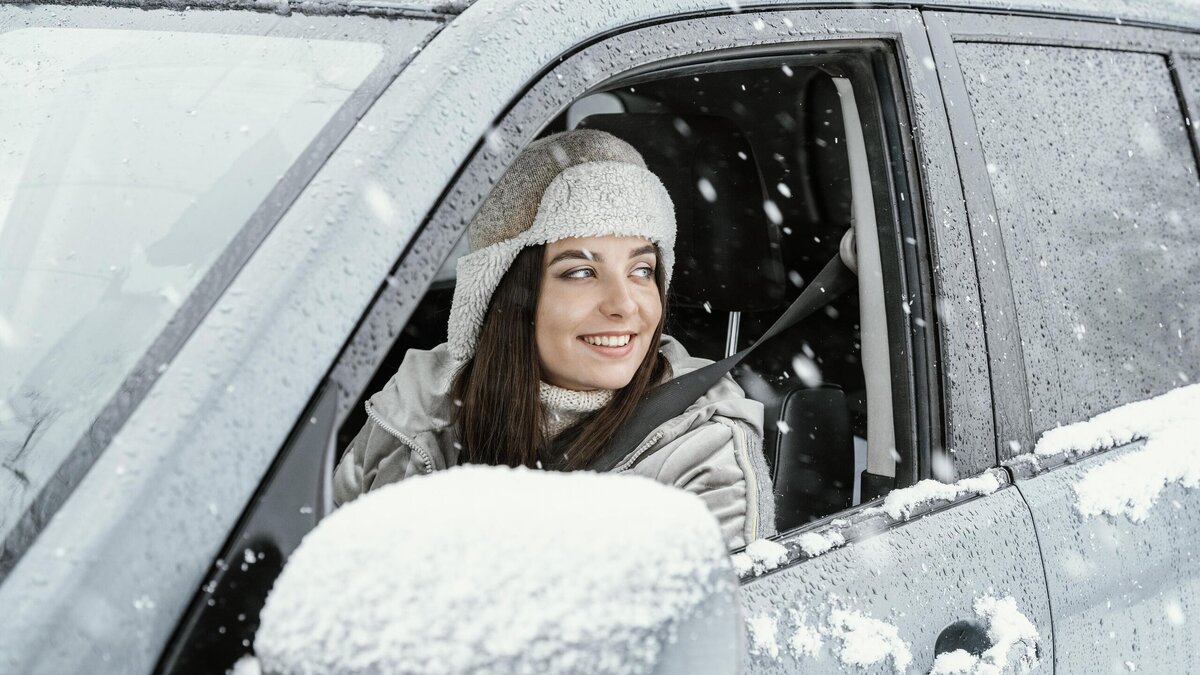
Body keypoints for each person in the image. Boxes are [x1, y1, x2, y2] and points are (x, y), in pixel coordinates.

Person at [333, 128, 775, 549]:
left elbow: (714, 623)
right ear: (507, 293)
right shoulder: (420, 405)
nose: (624, 304)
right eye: (581, 272)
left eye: (641, 270)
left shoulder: (704, 451)